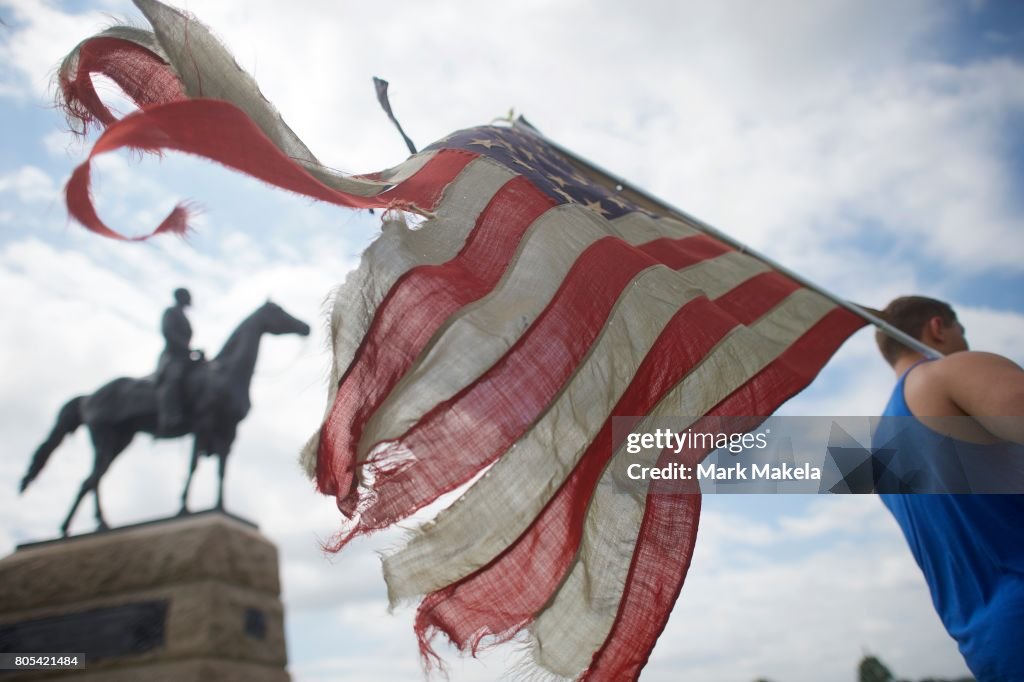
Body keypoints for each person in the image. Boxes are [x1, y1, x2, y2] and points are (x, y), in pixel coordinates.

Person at [872, 295, 1024, 681]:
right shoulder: (949, 374)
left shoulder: (878, 455)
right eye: (963, 332)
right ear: (938, 327)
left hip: (990, 647)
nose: (966, 344)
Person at [155, 287, 194, 433]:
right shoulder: (171, 312)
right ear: (181, 297)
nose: (190, 299)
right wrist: (185, 348)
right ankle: (169, 416)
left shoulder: (184, 317)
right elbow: (168, 332)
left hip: (185, 357)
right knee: (174, 378)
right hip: (172, 355)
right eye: (187, 296)